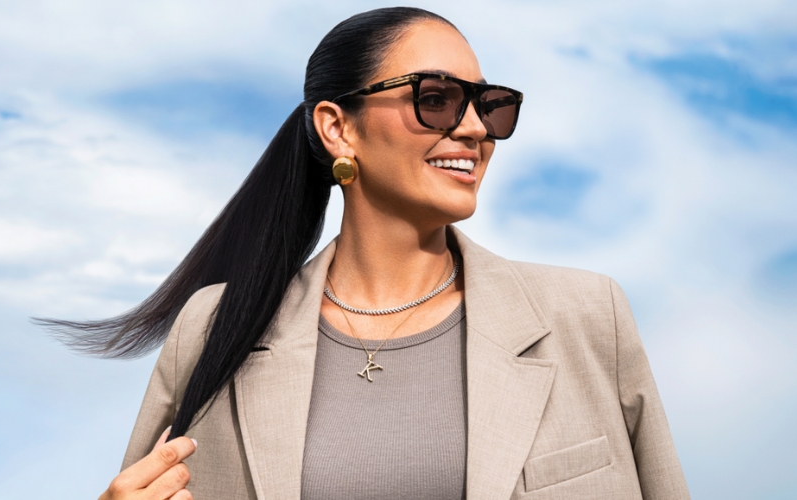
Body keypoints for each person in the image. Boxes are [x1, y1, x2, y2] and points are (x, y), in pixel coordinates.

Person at [45, 7, 689, 499]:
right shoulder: (215, 329)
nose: (471, 128)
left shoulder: (586, 315)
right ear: (337, 127)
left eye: (489, 106)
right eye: (434, 99)